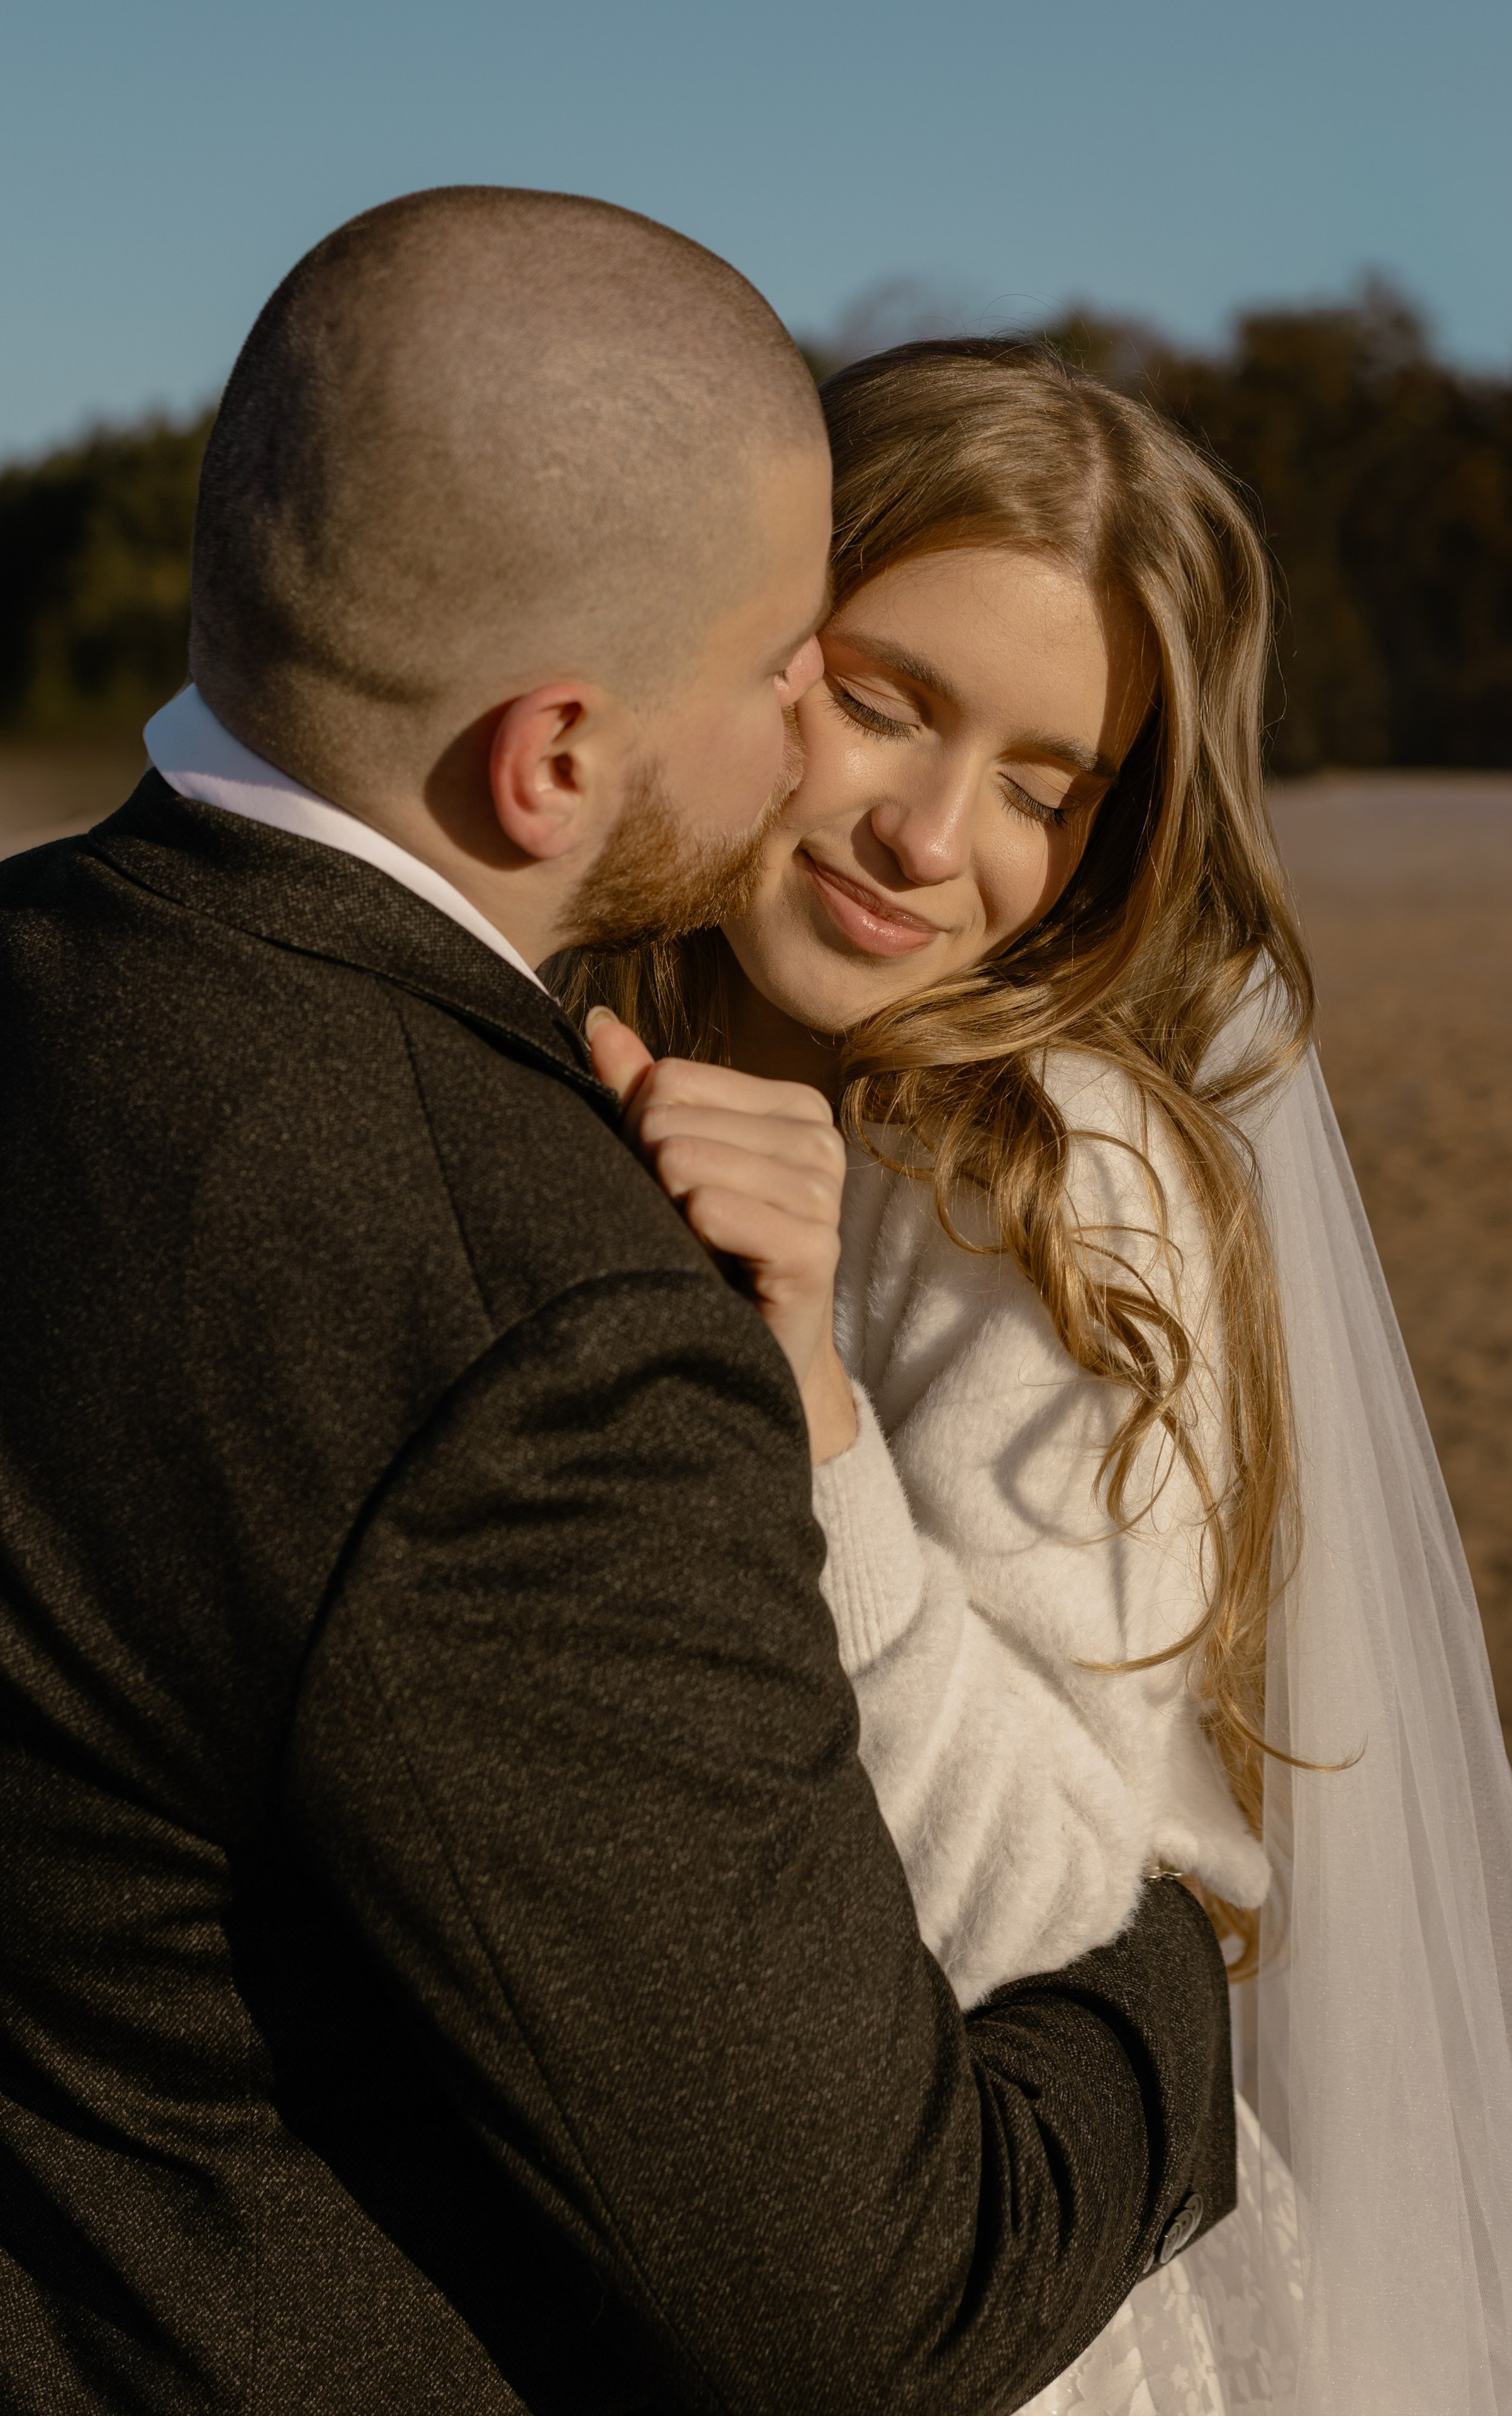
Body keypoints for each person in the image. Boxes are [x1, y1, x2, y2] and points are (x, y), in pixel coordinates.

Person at [0, 197, 1238, 2413]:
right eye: (829, 681)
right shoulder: (539, 1315)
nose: (906, 820)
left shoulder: (83, 983)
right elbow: (854, 2292)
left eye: (1047, 783)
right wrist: (1185, 2011)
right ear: (556, 750)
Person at [569, 338, 1512, 2413]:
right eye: (881, 699)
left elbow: (1074, 1900)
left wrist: (817, 1411)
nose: (932, 836)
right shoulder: (564, 1019)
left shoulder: (1045, 1184)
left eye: (1047, 786)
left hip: (976, 2300)